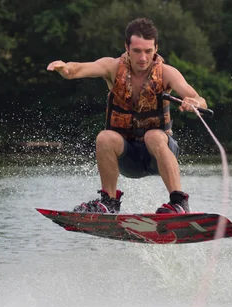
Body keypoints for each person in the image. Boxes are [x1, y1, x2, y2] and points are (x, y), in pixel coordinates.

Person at [46, 18, 207, 214]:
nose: (143, 58)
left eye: (148, 51)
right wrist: (65, 68)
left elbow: (199, 99)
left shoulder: (167, 73)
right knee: (105, 137)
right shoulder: (112, 67)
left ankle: (178, 203)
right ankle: (108, 203)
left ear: (156, 48)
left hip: (158, 155)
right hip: (128, 157)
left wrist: (194, 102)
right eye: (137, 51)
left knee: (154, 135)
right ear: (127, 47)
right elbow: (78, 69)